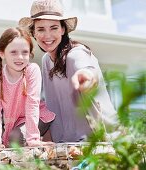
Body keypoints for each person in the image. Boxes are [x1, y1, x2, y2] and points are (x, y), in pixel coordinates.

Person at [19, 0, 117, 143]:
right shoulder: (46, 60)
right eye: (40, 29)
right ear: (33, 33)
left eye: (54, 28)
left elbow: (86, 70)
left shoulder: (75, 53)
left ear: (63, 29)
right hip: (68, 146)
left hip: (102, 143)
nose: (47, 35)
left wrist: (86, 77)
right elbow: (54, 108)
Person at [0, 27, 55, 149]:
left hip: (38, 117)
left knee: (15, 137)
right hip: (14, 122)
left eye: (24, 52)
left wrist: (33, 138)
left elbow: (32, 105)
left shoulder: (32, 70)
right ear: (2, 54)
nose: (20, 57)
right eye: (13, 52)